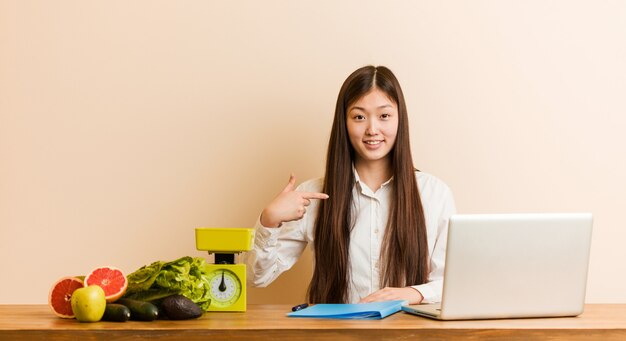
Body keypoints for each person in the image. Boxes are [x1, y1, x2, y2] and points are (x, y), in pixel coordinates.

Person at [245, 65, 456, 304]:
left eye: (384, 116)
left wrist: (414, 293)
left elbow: (452, 283)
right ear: (343, 123)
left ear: (400, 120)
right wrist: (269, 220)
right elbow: (256, 278)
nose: (372, 129)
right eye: (359, 117)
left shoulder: (433, 194)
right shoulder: (313, 196)